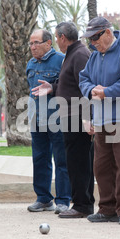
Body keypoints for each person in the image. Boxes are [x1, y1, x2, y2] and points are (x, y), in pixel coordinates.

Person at [79, 16, 120, 225]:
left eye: (96, 37)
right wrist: (91, 90)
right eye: (89, 39)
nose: (93, 43)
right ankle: (107, 209)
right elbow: (84, 79)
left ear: (108, 32)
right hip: (101, 119)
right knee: (101, 166)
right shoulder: (94, 56)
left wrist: (107, 92)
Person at [32, 21, 95, 218]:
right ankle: (80, 204)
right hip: (69, 117)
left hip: (77, 117)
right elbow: (68, 84)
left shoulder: (79, 54)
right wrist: (53, 87)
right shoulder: (73, 54)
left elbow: (86, 88)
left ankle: (82, 205)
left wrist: (88, 117)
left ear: (61, 38)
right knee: (75, 162)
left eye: (58, 38)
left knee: (79, 163)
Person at [26, 29, 72, 214]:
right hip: (37, 119)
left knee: (61, 160)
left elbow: (69, 86)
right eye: (30, 43)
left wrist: (53, 89)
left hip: (57, 118)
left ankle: (63, 200)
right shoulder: (30, 63)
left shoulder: (61, 60)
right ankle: (43, 199)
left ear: (48, 43)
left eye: (36, 42)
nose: (33, 47)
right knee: (39, 159)